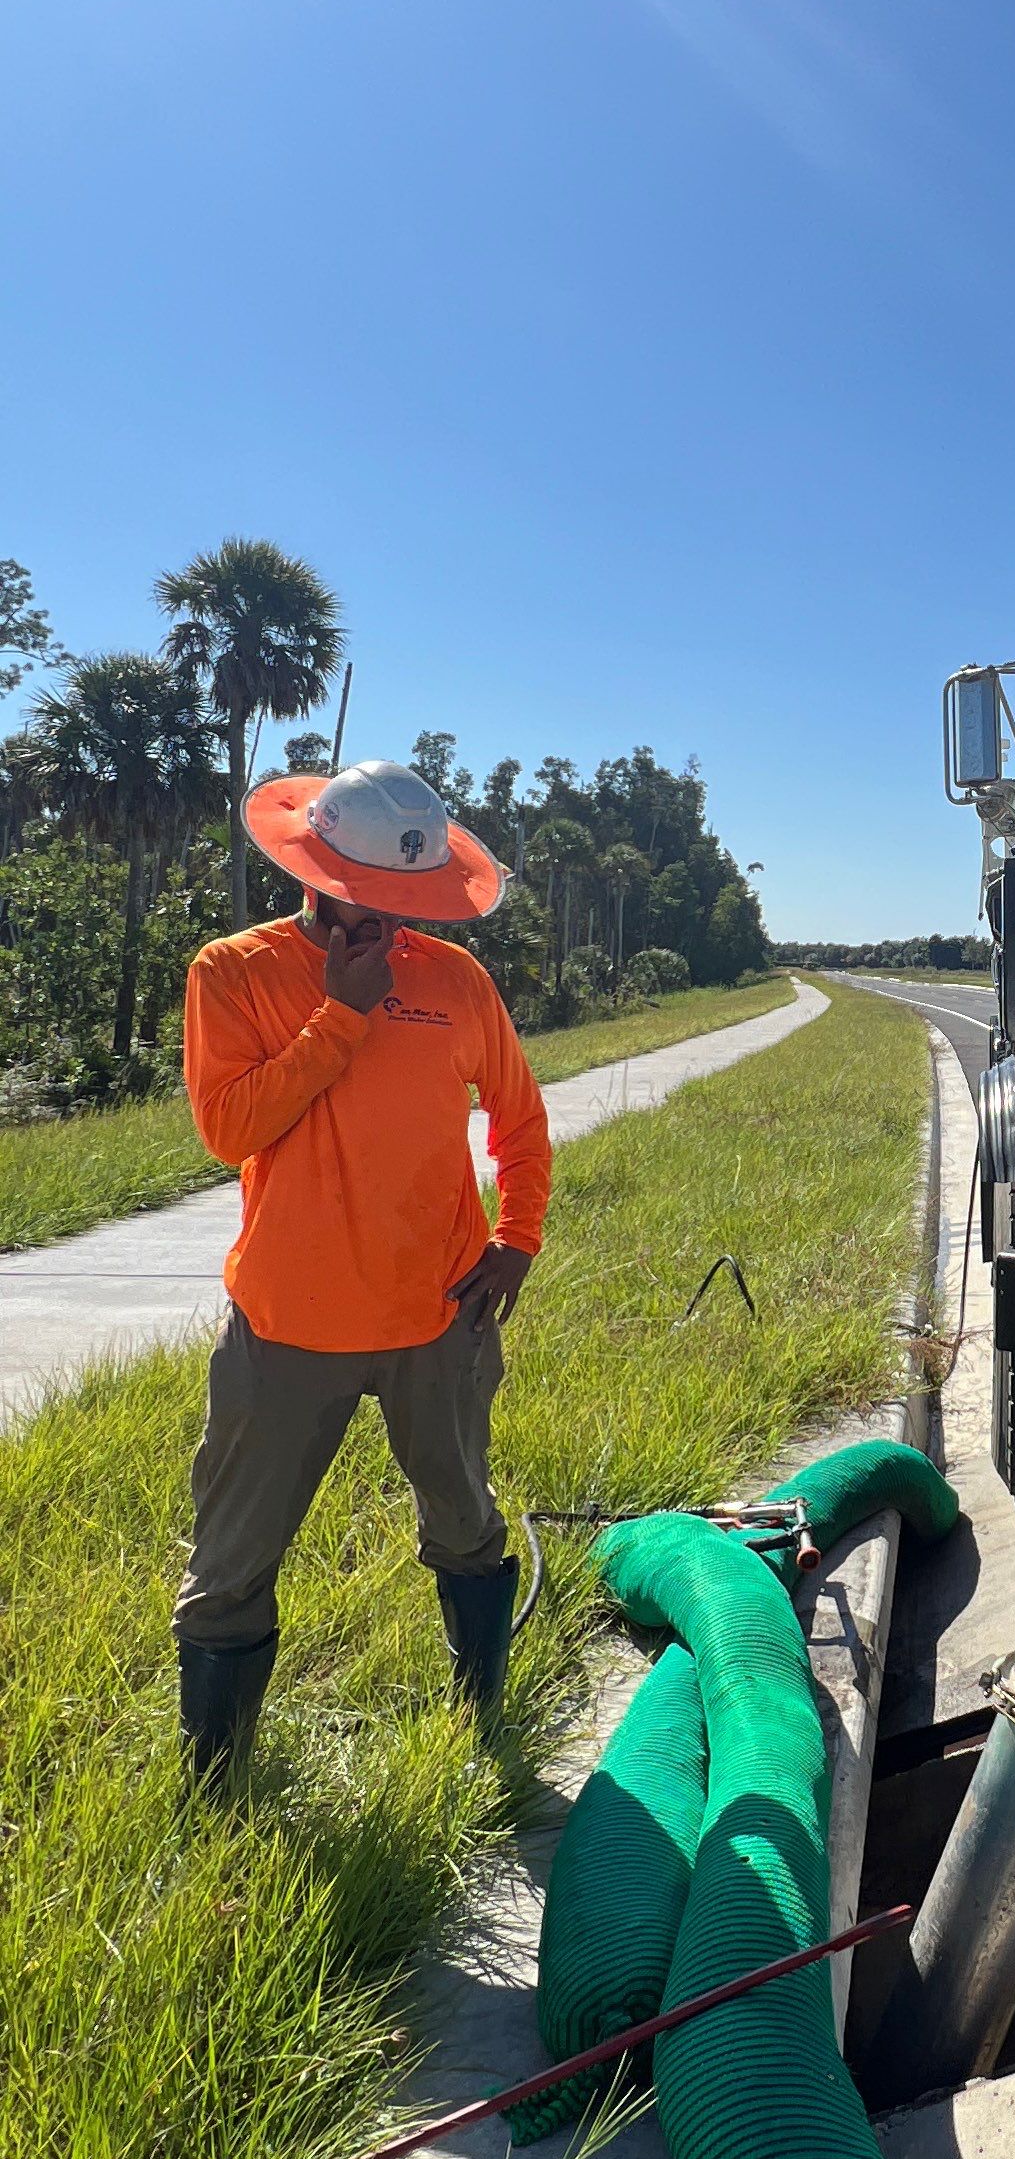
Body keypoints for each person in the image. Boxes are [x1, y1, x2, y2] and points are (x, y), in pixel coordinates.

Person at [173, 756, 552, 1781]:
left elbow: (519, 1121)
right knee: (231, 1568)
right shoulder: (233, 972)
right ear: (313, 867)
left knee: (466, 1523)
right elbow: (228, 1127)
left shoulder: (456, 981)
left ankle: (483, 1726)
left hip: (439, 1317)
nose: (383, 920)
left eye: (401, 902)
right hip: (287, 1328)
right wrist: (339, 1015)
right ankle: (216, 1790)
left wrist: (516, 1239)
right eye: (363, 898)